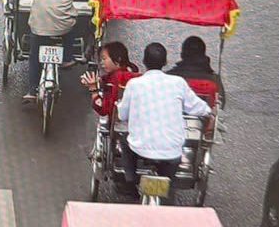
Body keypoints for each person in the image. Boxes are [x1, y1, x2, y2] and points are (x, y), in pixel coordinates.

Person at [117, 42, 212, 202]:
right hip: (171, 152)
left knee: (125, 143)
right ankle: (167, 192)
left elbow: (122, 115)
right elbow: (198, 108)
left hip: (140, 149)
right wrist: (209, 111)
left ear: (144, 62)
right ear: (165, 62)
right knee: (169, 183)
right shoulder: (178, 83)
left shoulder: (134, 84)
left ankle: (131, 183)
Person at [16, 0, 97, 102]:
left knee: (34, 56)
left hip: (38, 26)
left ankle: (32, 91)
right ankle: (67, 57)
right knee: (71, 23)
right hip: (63, 27)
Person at [81, 41, 139, 116]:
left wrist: (93, 89)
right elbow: (106, 80)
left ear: (118, 60)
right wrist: (97, 82)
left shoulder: (117, 79)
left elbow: (104, 109)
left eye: (104, 59)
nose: (102, 63)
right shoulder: (130, 72)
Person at [168, 36, 226, 105]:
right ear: (203, 54)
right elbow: (220, 104)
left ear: (183, 54)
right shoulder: (214, 80)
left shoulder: (169, 77)